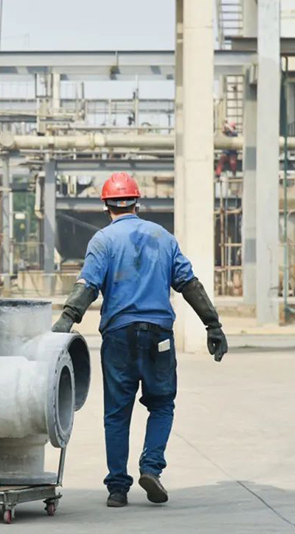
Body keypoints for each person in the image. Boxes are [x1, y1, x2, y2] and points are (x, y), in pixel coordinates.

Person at [52, 172, 228, 508]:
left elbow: (88, 285)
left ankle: (118, 489)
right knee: (161, 404)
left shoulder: (103, 241)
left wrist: (66, 319)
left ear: (106, 206)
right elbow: (189, 284)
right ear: (137, 203)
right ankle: (151, 467)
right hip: (159, 335)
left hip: (119, 336)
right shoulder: (163, 238)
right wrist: (213, 325)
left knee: (117, 413)